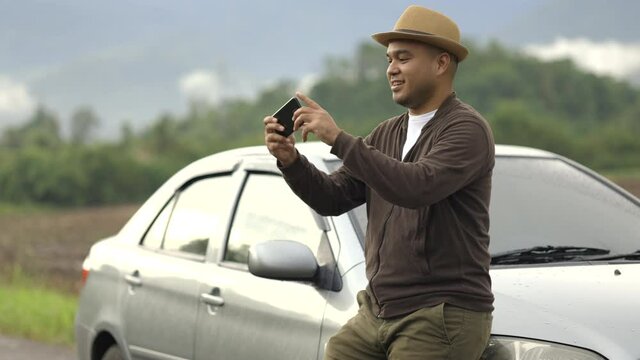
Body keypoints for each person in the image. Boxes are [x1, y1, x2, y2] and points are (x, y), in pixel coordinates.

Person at [263, 5, 494, 360]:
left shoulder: (466, 130)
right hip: (379, 309)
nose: (392, 69)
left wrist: (338, 138)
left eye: (404, 58)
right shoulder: (388, 132)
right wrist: (291, 161)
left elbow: (416, 187)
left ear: (441, 63)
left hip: (440, 313)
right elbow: (333, 197)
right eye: (389, 59)